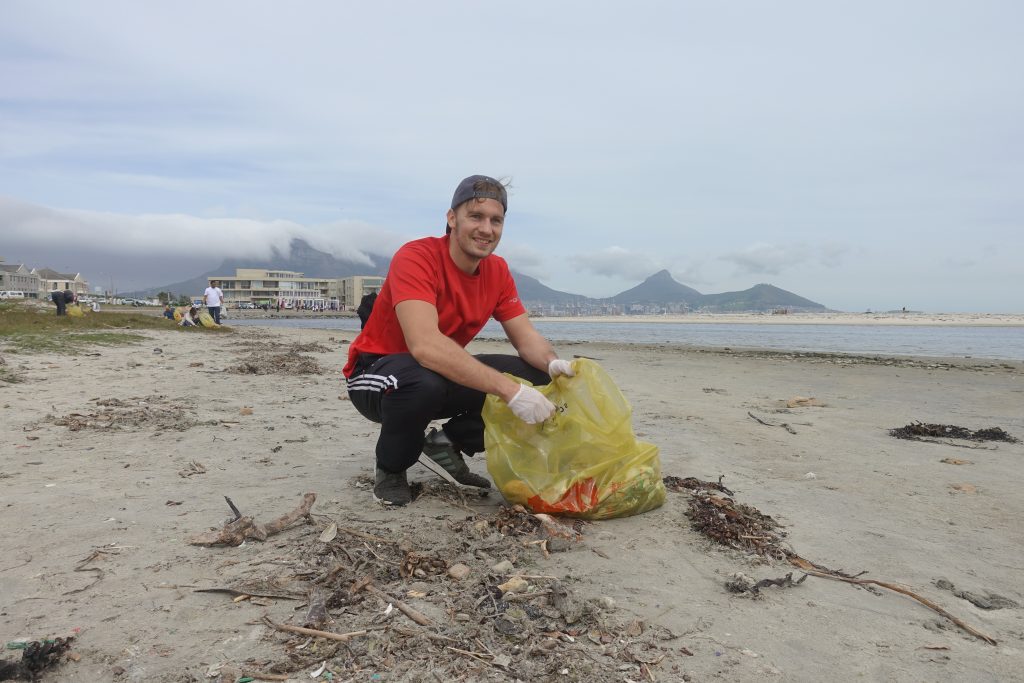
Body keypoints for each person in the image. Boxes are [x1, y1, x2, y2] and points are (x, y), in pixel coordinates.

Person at [343, 175, 575, 506]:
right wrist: (509, 391)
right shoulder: (417, 257)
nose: (486, 228)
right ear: (452, 219)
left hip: (436, 372)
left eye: (496, 220)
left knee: (536, 376)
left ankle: (448, 442)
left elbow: (527, 339)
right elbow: (424, 346)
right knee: (424, 381)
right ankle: (391, 467)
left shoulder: (497, 271)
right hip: (375, 374)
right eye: (476, 217)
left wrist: (553, 364)